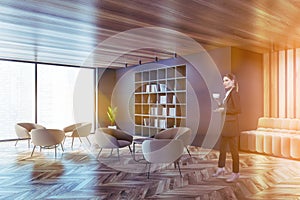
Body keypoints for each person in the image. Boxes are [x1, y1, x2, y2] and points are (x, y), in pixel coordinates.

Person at [212, 73, 241, 182]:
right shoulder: (227, 93)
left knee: (234, 151)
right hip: (225, 126)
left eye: (227, 80)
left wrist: (223, 110)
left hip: (232, 127)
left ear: (233, 81)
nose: (224, 83)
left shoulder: (234, 93)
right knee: (222, 149)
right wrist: (219, 103)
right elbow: (225, 108)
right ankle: (221, 168)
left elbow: (238, 109)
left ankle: (236, 172)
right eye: (223, 81)